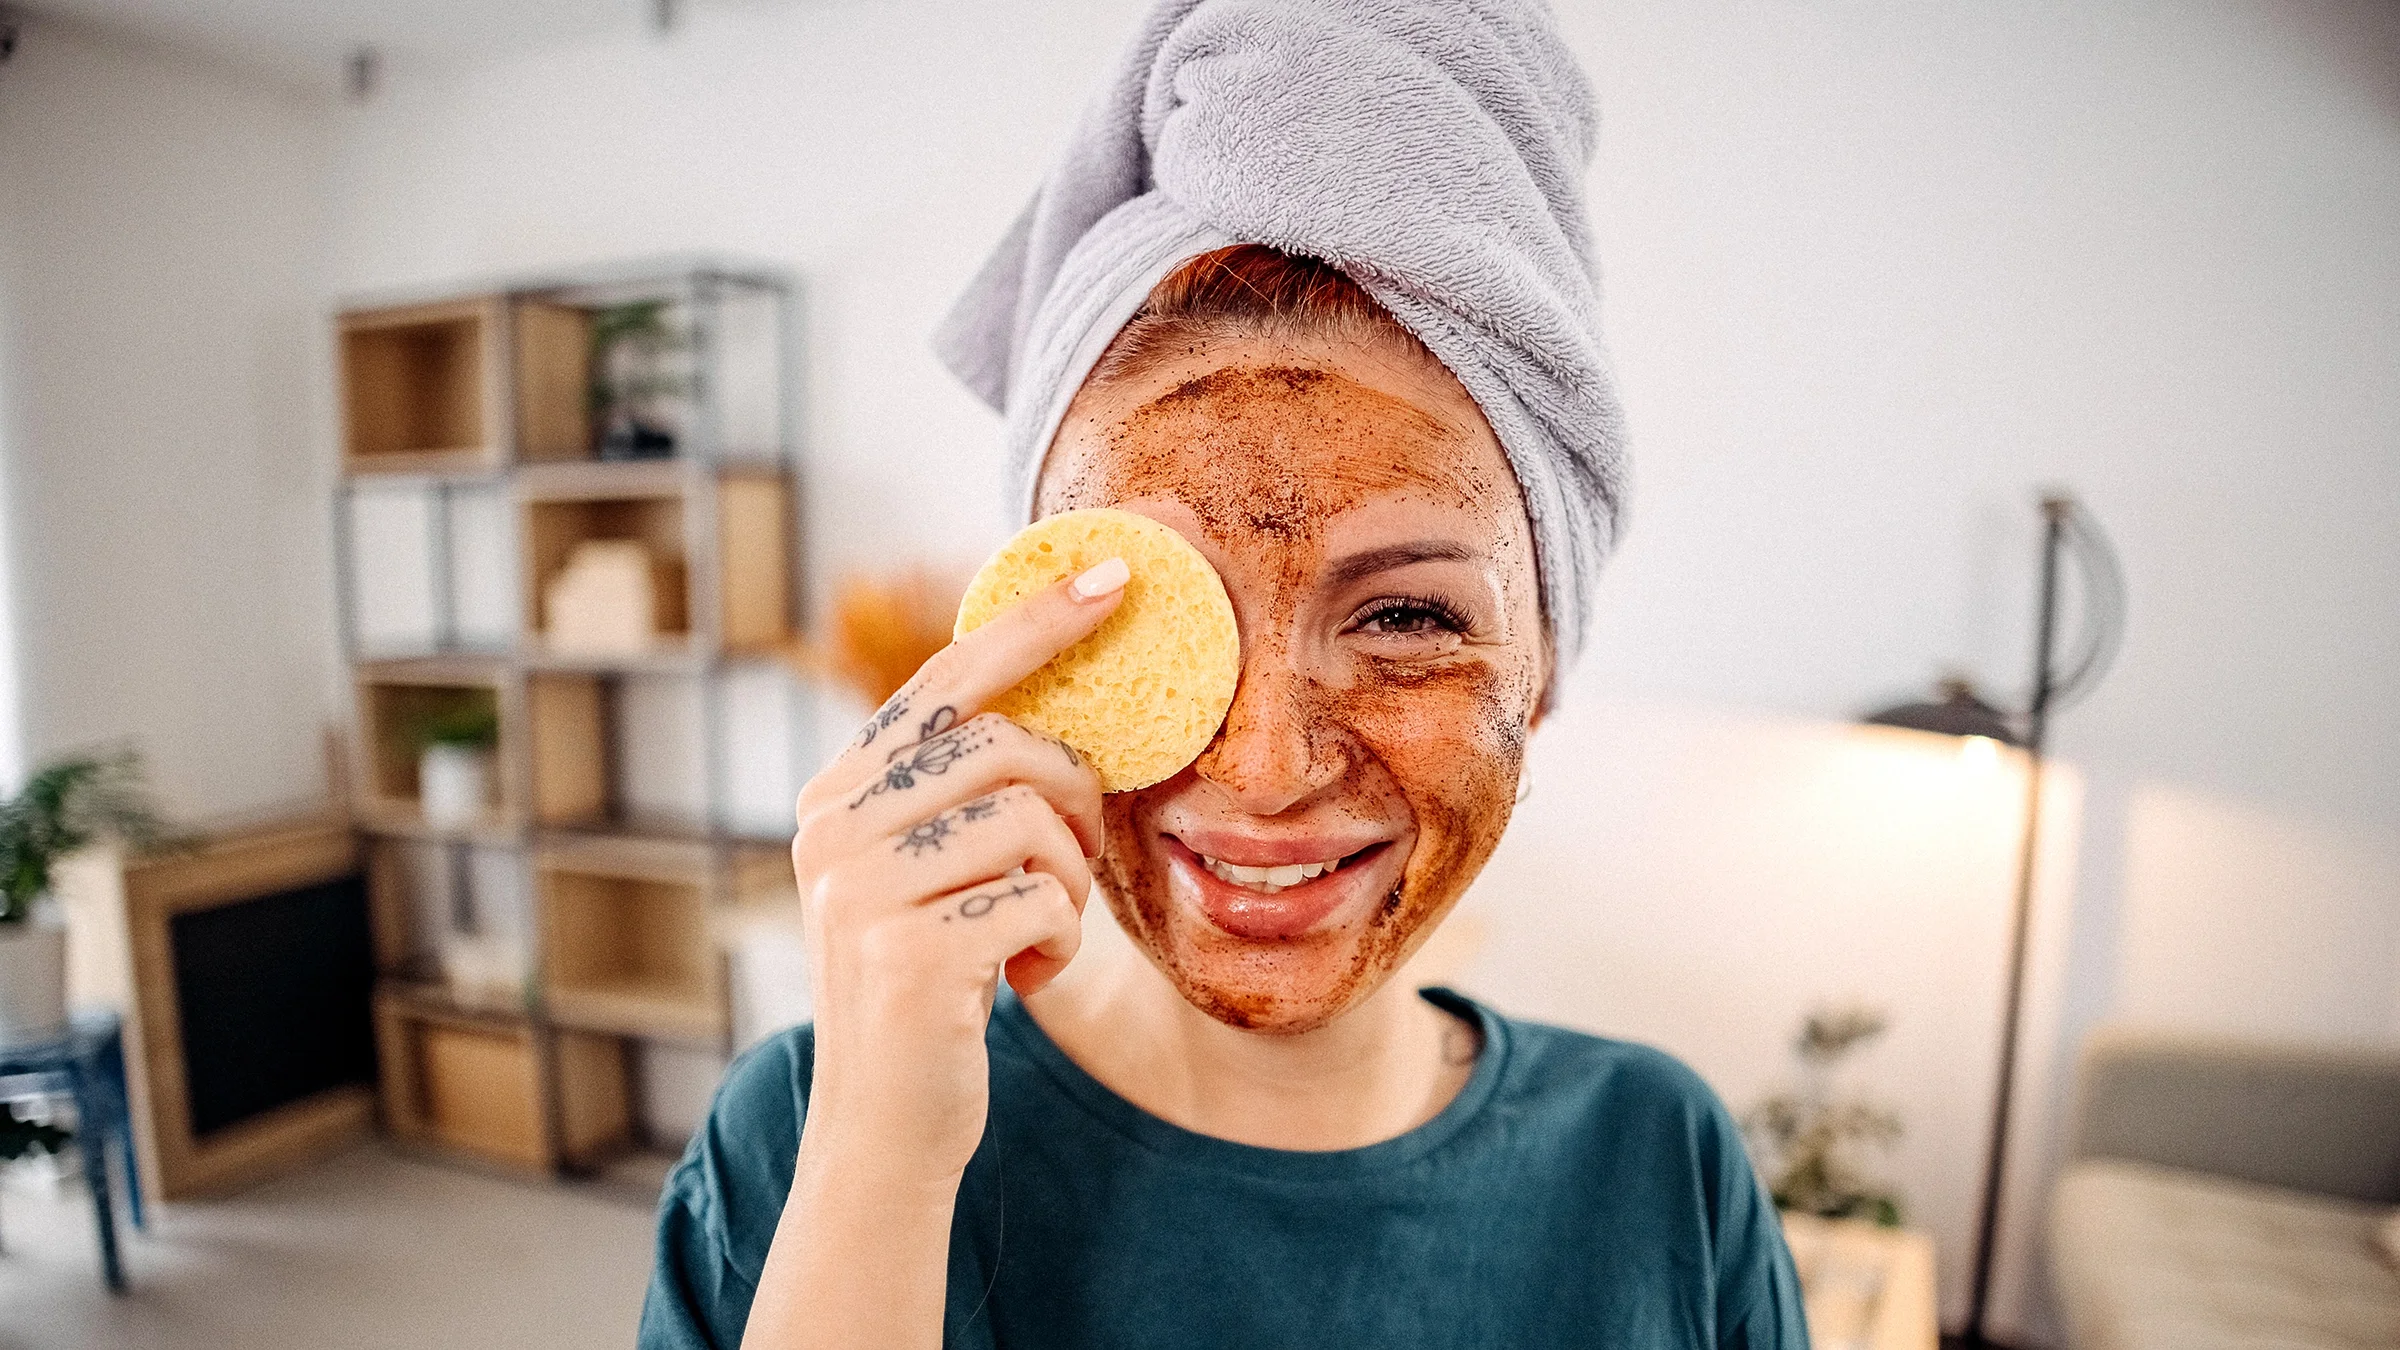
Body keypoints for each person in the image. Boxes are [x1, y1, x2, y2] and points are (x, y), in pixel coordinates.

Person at [642, 4, 1807, 1348]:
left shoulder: (1662, 1168)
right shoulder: (806, 1135)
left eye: (1409, 615)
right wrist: (880, 1165)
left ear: (1541, 668)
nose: (1263, 770)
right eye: (1161, 620)